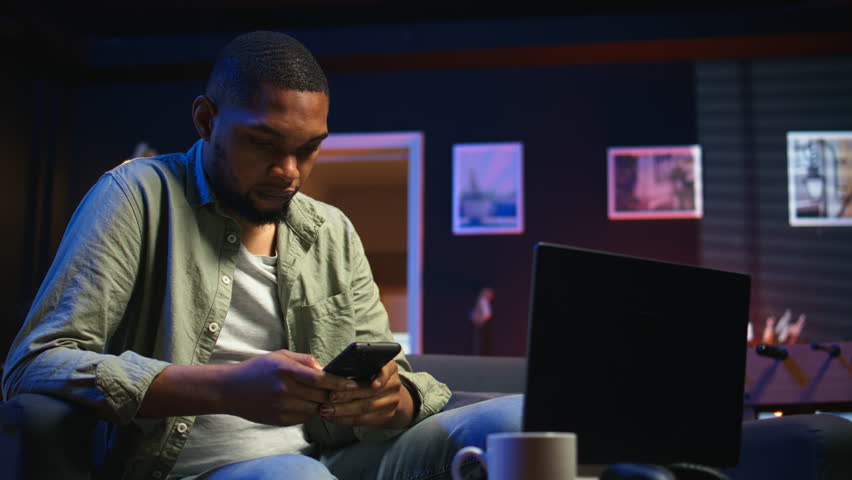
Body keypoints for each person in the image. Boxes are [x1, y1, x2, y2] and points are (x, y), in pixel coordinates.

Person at [2, 31, 521, 479]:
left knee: (515, 424)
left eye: (309, 149)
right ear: (206, 120)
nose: (290, 172)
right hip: (195, 471)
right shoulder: (136, 195)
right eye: (264, 144)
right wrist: (226, 388)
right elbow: (36, 363)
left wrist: (390, 400)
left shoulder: (332, 231)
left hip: (332, 459)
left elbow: (394, 377)